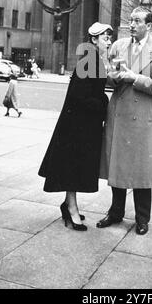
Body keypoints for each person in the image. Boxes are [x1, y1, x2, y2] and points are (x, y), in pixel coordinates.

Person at [98, 6, 152, 236]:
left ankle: (142, 219)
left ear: (149, 25)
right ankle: (116, 213)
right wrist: (111, 74)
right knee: (118, 168)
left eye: (137, 21)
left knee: (142, 172)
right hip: (120, 115)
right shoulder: (118, 46)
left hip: (144, 120)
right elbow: (108, 79)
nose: (131, 24)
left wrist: (135, 77)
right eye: (130, 20)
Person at [38, 22, 113, 231]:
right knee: (74, 166)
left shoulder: (93, 60)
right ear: (94, 40)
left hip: (82, 123)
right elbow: (78, 97)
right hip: (78, 126)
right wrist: (103, 105)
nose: (109, 41)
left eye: (109, 38)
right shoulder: (90, 61)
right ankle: (71, 208)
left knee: (75, 166)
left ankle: (69, 204)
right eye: (105, 38)